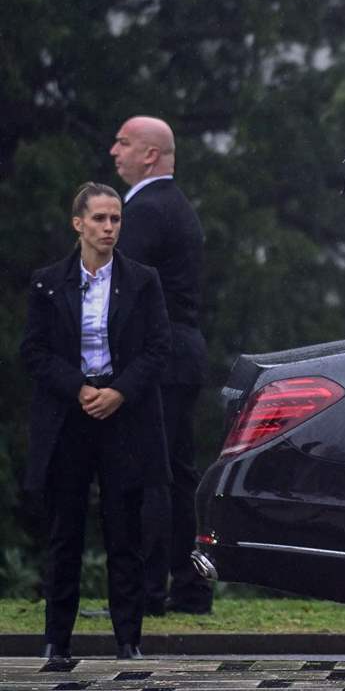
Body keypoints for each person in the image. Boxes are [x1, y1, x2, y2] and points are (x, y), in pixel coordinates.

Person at [21, 182, 171, 662]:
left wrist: (119, 390)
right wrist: (78, 387)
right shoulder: (49, 282)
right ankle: (56, 640)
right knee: (66, 529)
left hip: (122, 414)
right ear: (78, 224)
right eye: (101, 219)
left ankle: (128, 638)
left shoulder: (143, 280)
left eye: (116, 219)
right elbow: (34, 351)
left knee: (123, 527)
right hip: (69, 415)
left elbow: (158, 346)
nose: (109, 228)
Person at [110, 116, 212, 615]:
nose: (114, 151)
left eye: (124, 143)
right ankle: (187, 585)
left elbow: (124, 292)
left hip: (158, 361)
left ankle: (147, 590)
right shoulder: (174, 206)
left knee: (149, 475)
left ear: (150, 155)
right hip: (182, 354)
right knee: (175, 474)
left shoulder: (146, 211)